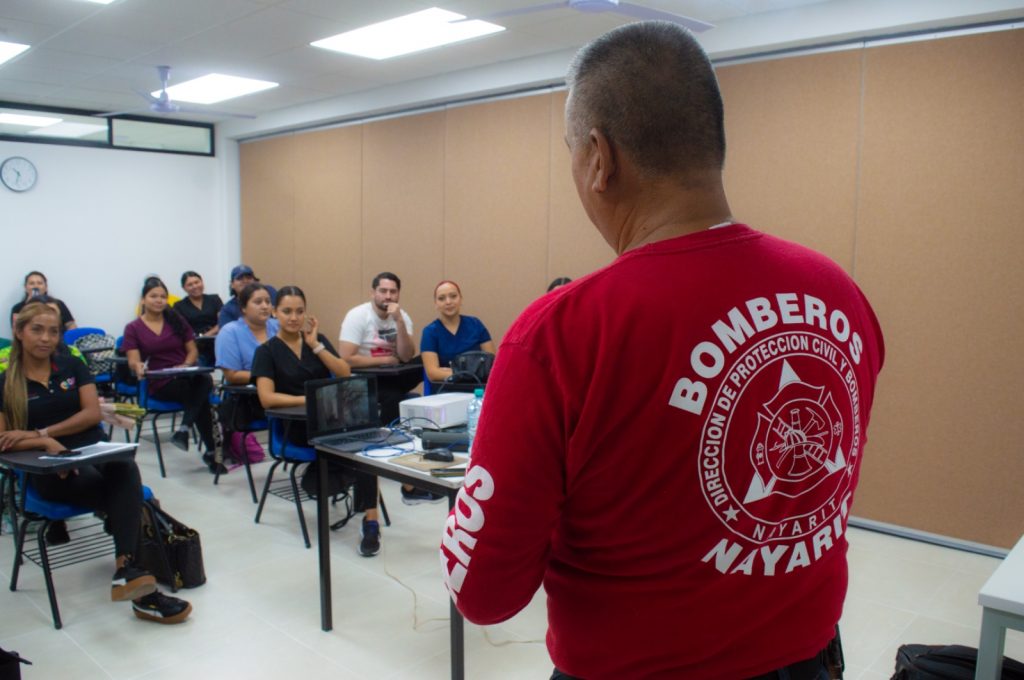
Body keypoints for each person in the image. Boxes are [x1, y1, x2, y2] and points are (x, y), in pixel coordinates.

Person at [440, 22, 884, 680]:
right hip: (809, 660)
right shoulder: (840, 294)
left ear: (598, 156)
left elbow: (483, 592)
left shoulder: (561, 334)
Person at [0, 302, 192, 624]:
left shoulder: (71, 366)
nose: (46, 338)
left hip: (92, 450)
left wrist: (41, 431)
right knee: (126, 491)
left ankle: (127, 572)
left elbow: (90, 414)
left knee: (125, 468)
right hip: (47, 467)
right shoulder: (5, 382)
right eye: (37, 330)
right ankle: (136, 583)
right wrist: (44, 442)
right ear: (18, 332)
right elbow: (4, 439)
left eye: (53, 331)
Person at [250, 286, 384, 557]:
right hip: (295, 428)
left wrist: (316, 345)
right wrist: (308, 400)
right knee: (351, 451)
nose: (293, 317)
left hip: (328, 421)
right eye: (286, 311)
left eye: (299, 311)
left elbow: (344, 371)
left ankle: (371, 522)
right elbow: (266, 398)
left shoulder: (316, 340)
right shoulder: (266, 351)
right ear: (275, 312)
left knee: (366, 443)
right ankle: (343, 481)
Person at [339, 272, 438, 505]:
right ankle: (390, 447)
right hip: (363, 378)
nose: (388, 296)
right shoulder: (358, 316)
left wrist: (399, 323)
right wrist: (383, 361)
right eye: (383, 291)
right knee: (396, 398)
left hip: (393, 375)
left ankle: (393, 437)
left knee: (423, 358)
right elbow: (346, 358)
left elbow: (405, 355)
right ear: (373, 292)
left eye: (393, 291)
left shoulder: (401, 316)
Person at [123, 278, 219, 472]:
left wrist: (185, 365)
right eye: (153, 296)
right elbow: (133, 359)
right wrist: (138, 365)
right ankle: (209, 452)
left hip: (184, 373)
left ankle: (185, 430)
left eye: (163, 297)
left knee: (202, 381)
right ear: (143, 300)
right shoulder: (133, 328)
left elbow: (192, 350)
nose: (159, 300)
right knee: (200, 393)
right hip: (160, 382)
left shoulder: (176, 320)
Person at [420, 280, 495, 393]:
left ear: (461, 299)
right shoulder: (430, 332)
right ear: (436, 304)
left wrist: (453, 371)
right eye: (442, 298)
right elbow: (433, 373)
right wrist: (473, 371)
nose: (448, 302)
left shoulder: (476, 324)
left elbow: (492, 364)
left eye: (453, 296)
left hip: (478, 390)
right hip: (446, 392)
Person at [215, 283, 278, 386]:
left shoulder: (278, 326)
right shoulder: (230, 332)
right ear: (243, 307)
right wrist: (271, 376)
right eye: (258, 302)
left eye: (268, 302)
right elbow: (232, 375)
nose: (265, 306)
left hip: (284, 389)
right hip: (247, 394)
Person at [173, 271, 223, 367]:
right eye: (190, 285)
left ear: (202, 282)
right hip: (196, 347)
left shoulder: (214, 299)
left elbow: (222, 321)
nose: (195, 286)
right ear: (184, 288)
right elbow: (181, 329)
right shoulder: (179, 306)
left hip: (218, 343)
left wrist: (207, 334)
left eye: (197, 282)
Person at [10, 271, 76, 331]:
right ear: (26, 288)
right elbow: (16, 331)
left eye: (40, 283)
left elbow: (71, 325)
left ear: (46, 287)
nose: (36, 286)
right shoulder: (17, 308)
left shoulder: (58, 304)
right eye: (31, 283)